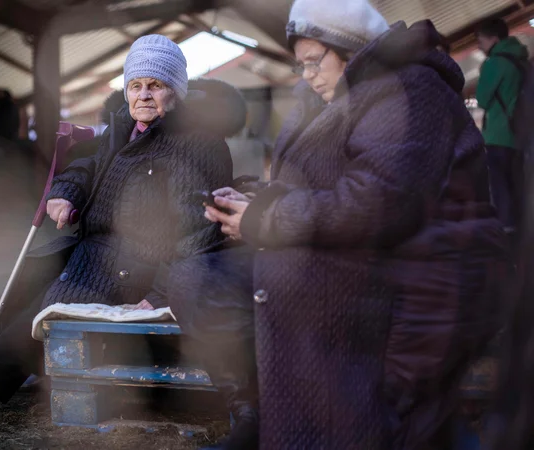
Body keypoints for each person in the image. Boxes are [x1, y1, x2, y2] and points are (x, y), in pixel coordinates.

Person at [196, 3, 507, 448]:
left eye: (313, 61)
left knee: (397, 413)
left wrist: (267, 218)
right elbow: (327, 188)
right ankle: (264, 419)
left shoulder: (411, 90)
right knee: (205, 278)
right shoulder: (344, 96)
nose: (306, 74)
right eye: (300, 63)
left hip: (438, 271)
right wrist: (259, 203)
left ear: (351, 49)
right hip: (375, 259)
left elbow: (379, 200)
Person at [0, 34, 245, 423]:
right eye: (135, 85)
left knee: (54, 305)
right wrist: (65, 192)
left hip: (139, 265)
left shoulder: (196, 144)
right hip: (99, 248)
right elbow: (88, 166)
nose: (143, 95)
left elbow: (197, 230)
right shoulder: (126, 128)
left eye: (155, 85)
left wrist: (160, 293)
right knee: (32, 276)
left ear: (177, 90)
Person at [476, 18, 529, 233]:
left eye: (481, 40)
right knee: (518, 182)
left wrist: (483, 73)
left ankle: (508, 227)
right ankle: (524, 224)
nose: (479, 45)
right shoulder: (521, 60)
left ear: (493, 38)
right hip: (520, 132)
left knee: (500, 185)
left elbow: (482, 99)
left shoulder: (494, 63)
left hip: (498, 135)